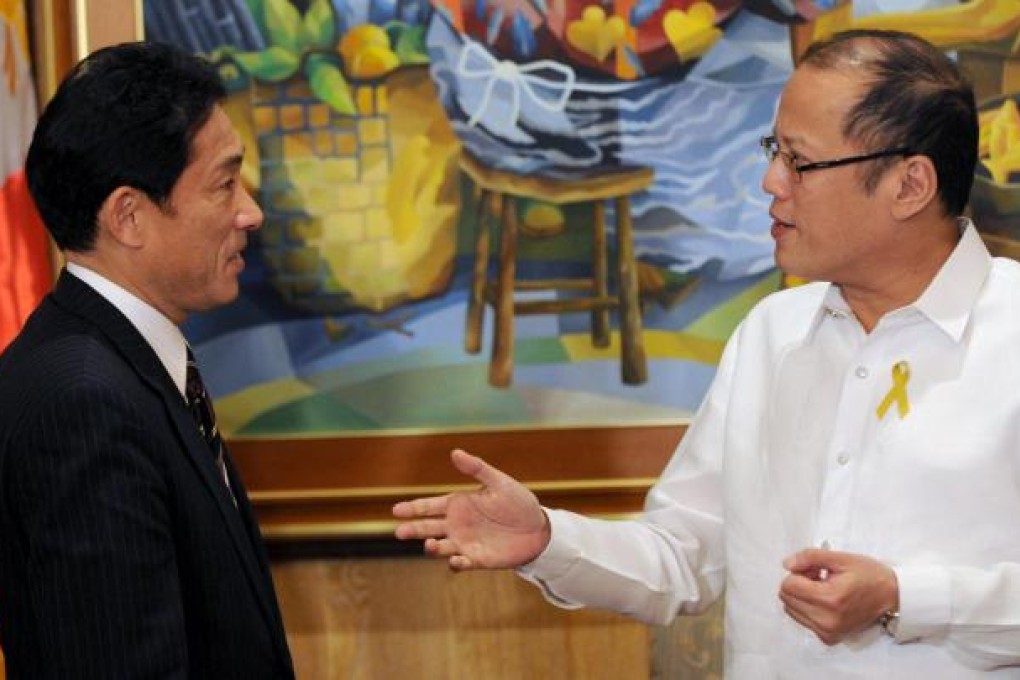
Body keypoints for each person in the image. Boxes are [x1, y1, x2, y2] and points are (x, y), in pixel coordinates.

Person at [394, 29, 1020, 677]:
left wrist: (905, 598)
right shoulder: (771, 334)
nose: (770, 181)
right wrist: (548, 541)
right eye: (772, 149)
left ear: (909, 184)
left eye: (799, 160)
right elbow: (683, 557)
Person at [0, 42, 294, 679]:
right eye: (224, 183)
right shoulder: (83, 402)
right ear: (129, 216)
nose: (251, 211)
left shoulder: (116, 364)